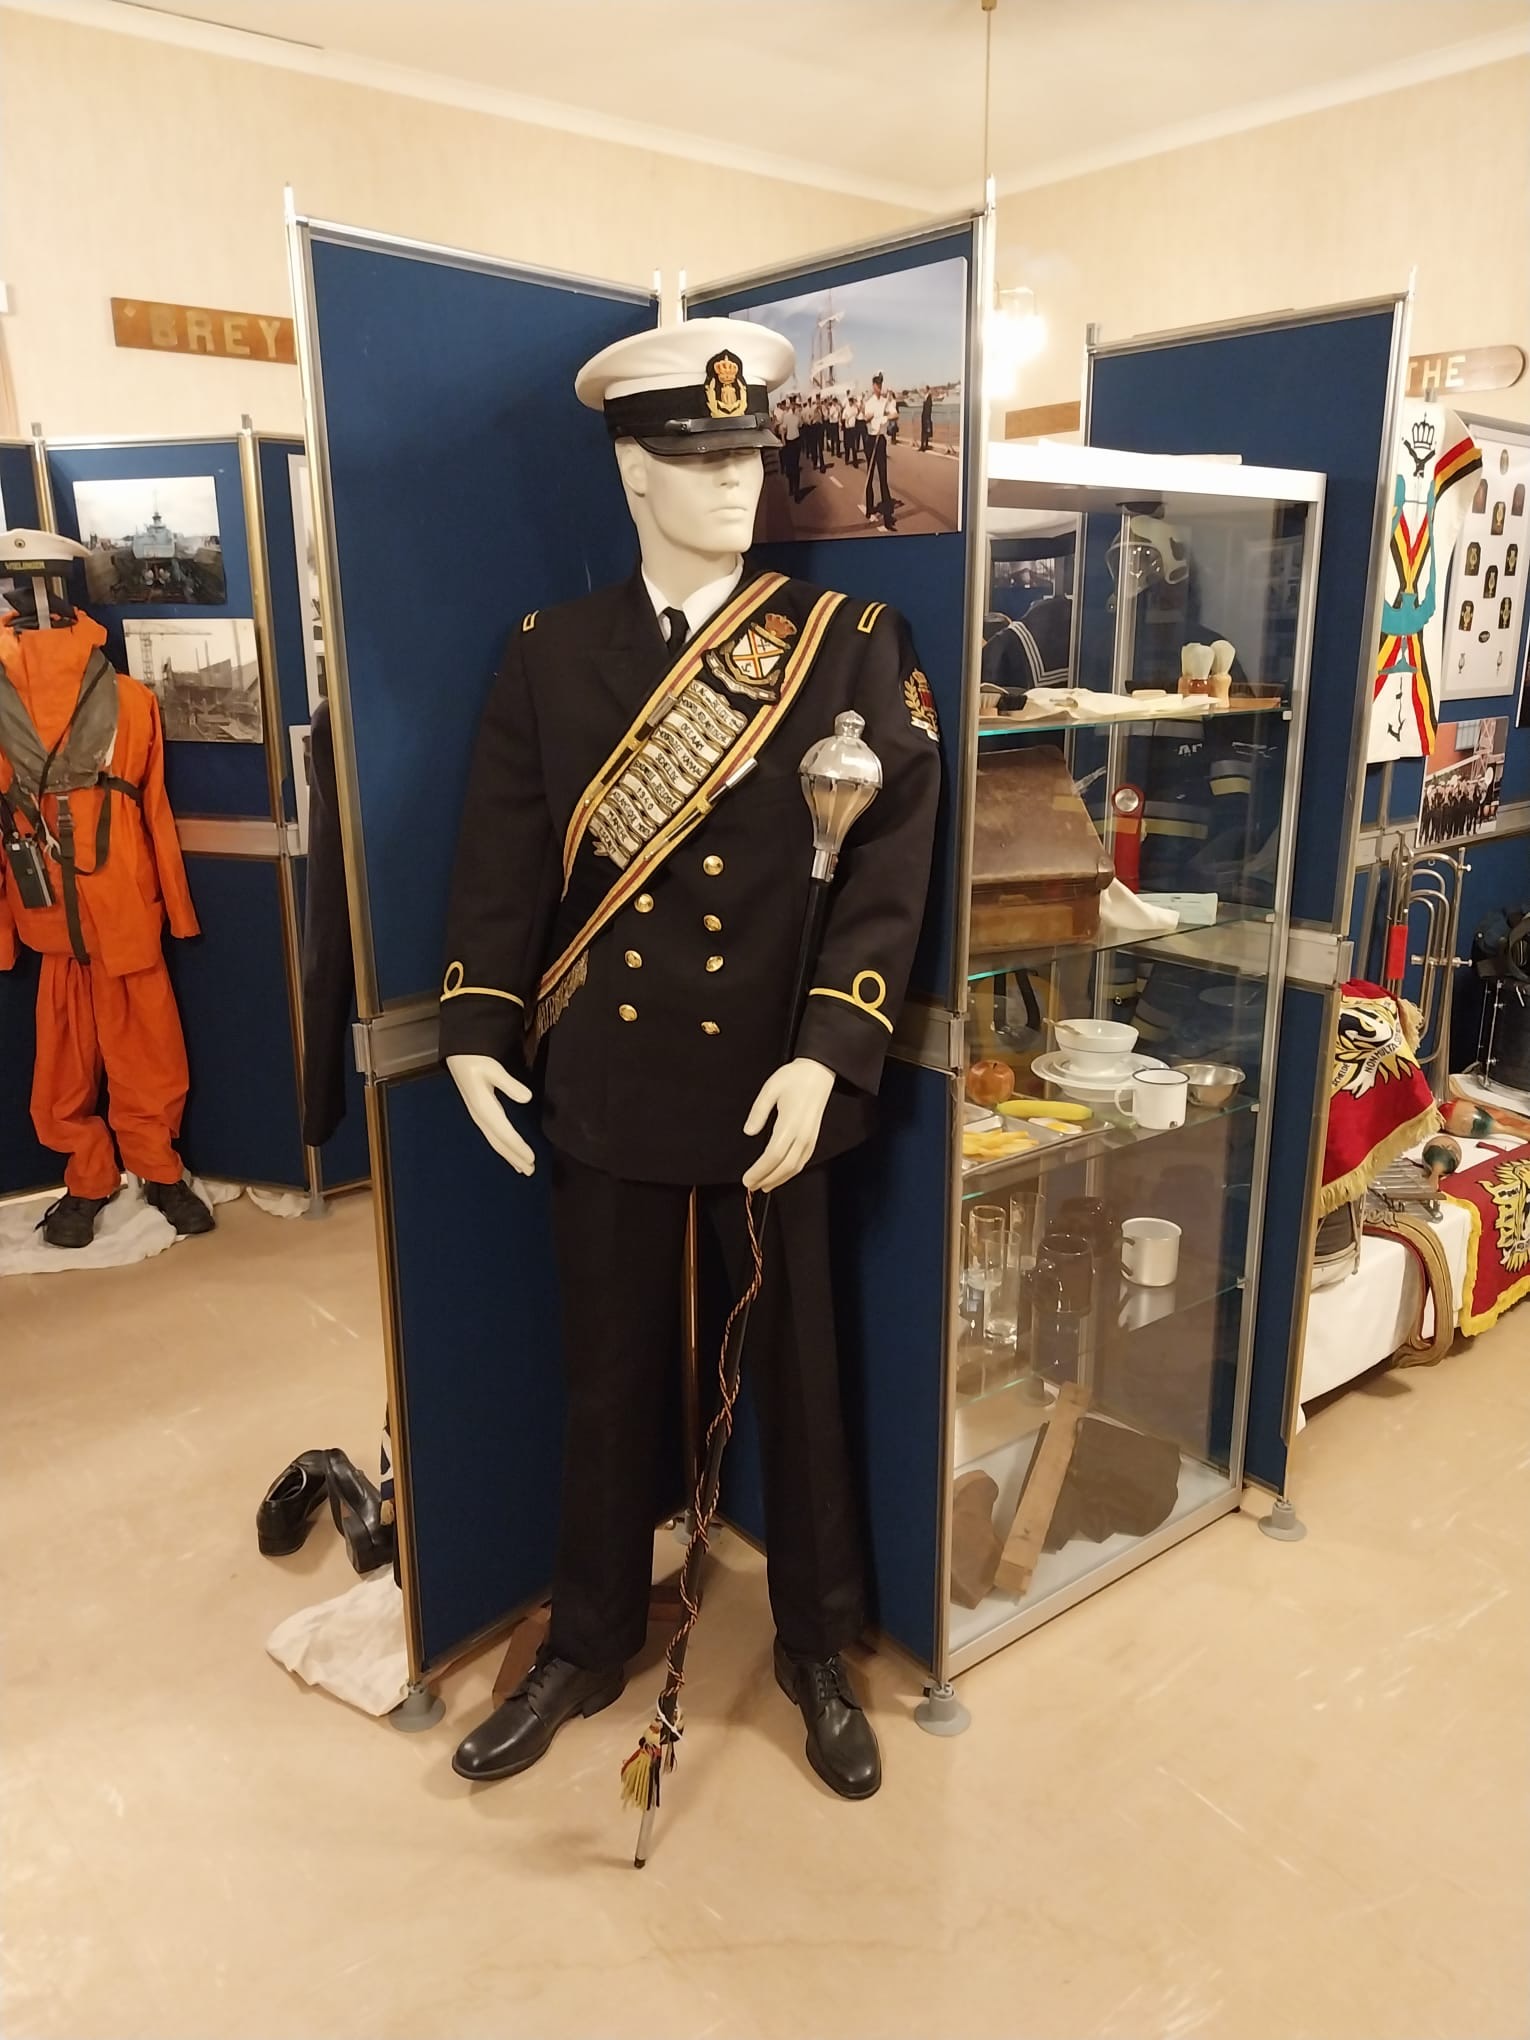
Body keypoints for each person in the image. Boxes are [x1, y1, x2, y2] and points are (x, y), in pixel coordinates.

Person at [440, 319, 941, 1801]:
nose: (735, 484)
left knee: (803, 1376)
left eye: (747, 456)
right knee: (606, 1376)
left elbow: (889, 866)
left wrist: (834, 1048)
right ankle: (587, 1639)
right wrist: (473, 1026)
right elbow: (501, 861)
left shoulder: (846, 642)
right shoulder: (549, 654)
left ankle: (817, 1645)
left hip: (770, 1081)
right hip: (605, 1076)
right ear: (631, 471)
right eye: (697, 457)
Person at [862, 371, 897, 530]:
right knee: (870, 475)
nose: (879, 387)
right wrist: (873, 416)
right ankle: (869, 509)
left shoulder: (885, 401)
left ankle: (888, 518)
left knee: (883, 477)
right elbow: (866, 417)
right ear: (873, 385)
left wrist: (886, 417)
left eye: (880, 384)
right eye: (877, 384)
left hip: (880, 440)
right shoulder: (869, 402)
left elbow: (895, 414)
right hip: (871, 440)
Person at [777, 394, 803, 502]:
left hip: (796, 441)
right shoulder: (786, 416)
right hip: (789, 443)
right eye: (791, 404)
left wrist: (799, 415)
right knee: (790, 467)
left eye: (794, 404)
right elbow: (782, 429)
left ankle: (797, 492)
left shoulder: (797, 415)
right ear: (789, 404)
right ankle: (791, 486)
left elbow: (800, 425)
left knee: (795, 467)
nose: (793, 406)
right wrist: (783, 440)